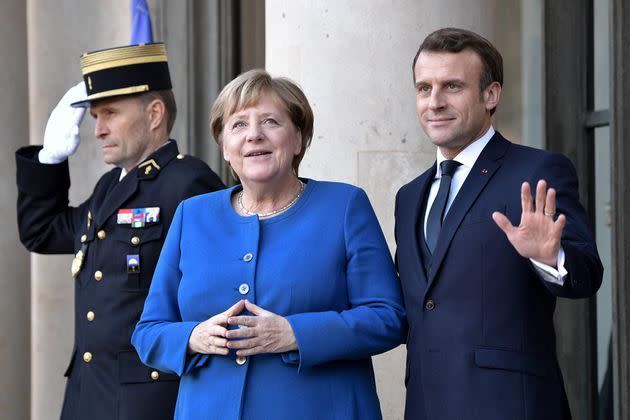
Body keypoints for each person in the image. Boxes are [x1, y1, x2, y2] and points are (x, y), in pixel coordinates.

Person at [132, 69, 406, 419]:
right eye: (239, 125)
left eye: (270, 122)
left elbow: (388, 318)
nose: (254, 135)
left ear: (297, 140)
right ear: (225, 147)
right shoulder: (192, 215)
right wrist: (193, 337)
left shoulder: (344, 206)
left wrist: (294, 334)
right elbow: (148, 332)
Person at [394, 28, 603, 420]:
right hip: (425, 405)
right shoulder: (409, 197)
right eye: (424, 88)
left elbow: (587, 274)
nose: (434, 102)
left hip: (510, 406)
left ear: (490, 94)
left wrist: (551, 256)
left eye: (452, 86)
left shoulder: (538, 170)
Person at [15, 43, 225, 420]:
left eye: (109, 113)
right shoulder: (109, 187)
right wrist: (49, 158)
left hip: (146, 401)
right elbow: (41, 232)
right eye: (95, 116)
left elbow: (214, 294)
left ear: (155, 113)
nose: (97, 130)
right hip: (88, 395)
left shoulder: (188, 182)